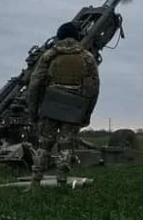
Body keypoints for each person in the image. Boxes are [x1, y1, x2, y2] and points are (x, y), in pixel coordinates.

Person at [26, 22, 100, 189]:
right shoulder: (87, 57)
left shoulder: (49, 55)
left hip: (51, 103)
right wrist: (87, 112)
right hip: (74, 107)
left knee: (44, 144)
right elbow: (94, 88)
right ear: (77, 36)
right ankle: (61, 181)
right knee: (66, 145)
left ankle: (35, 181)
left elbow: (35, 84)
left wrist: (33, 111)